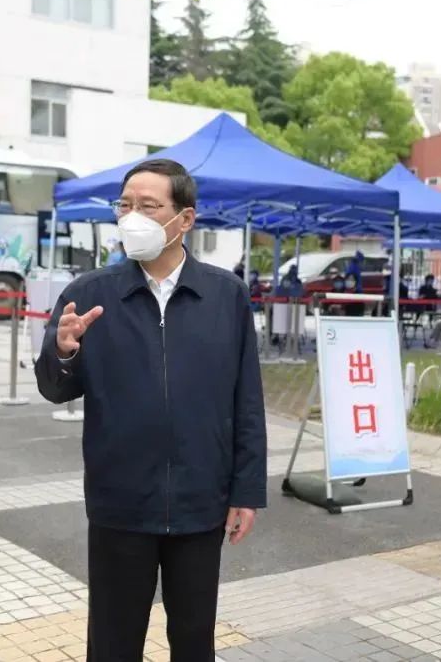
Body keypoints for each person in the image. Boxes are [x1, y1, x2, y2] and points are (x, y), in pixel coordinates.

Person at [35, 158, 267, 661]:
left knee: (194, 641)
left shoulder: (225, 296)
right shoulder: (88, 294)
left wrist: (246, 491)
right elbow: (53, 389)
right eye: (124, 205)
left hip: (201, 503)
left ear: (185, 219)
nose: (132, 217)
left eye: (148, 206)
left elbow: (247, 399)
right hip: (120, 503)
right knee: (113, 643)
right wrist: (62, 351)